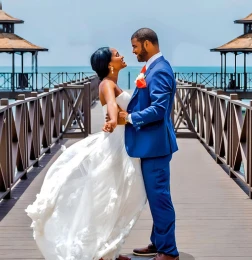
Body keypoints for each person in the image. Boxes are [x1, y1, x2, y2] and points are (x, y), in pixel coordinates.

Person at [25, 47, 147, 260]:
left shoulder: (112, 83)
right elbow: (111, 105)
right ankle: (99, 251)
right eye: (117, 55)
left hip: (123, 145)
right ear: (110, 64)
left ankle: (108, 248)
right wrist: (111, 119)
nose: (122, 56)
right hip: (114, 148)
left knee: (118, 197)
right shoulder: (107, 84)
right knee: (109, 197)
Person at [119, 28, 179, 260]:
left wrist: (130, 118)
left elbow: (159, 109)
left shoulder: (160, 70)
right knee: (156, 196)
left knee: (160, 196)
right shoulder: (152, 68)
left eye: (135, 46)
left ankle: (169, 251)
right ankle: (158, 242)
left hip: (156, 145)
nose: (133, 51)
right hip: (151, 144)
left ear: (146, 44)